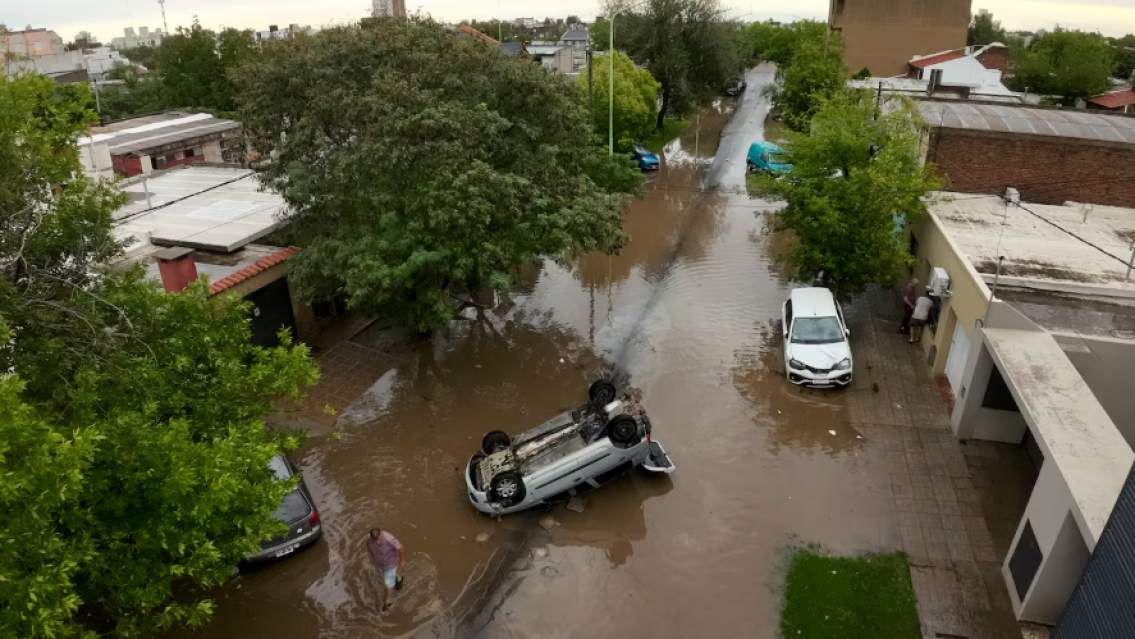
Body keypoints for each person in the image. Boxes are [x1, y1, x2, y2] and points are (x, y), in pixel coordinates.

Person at [366, 527, 406, 612]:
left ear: (381, 535)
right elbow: (369, 547)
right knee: (385, 575)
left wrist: (402, 560)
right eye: (375, 540)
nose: (377, 542)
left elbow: (401, 548)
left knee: (388, 583)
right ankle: (399, 578)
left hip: (390, 563)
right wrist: (371, 557)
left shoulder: (389, 538)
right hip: (380, 564)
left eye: (379, 539)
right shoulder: (370, 540)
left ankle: (387, 602)